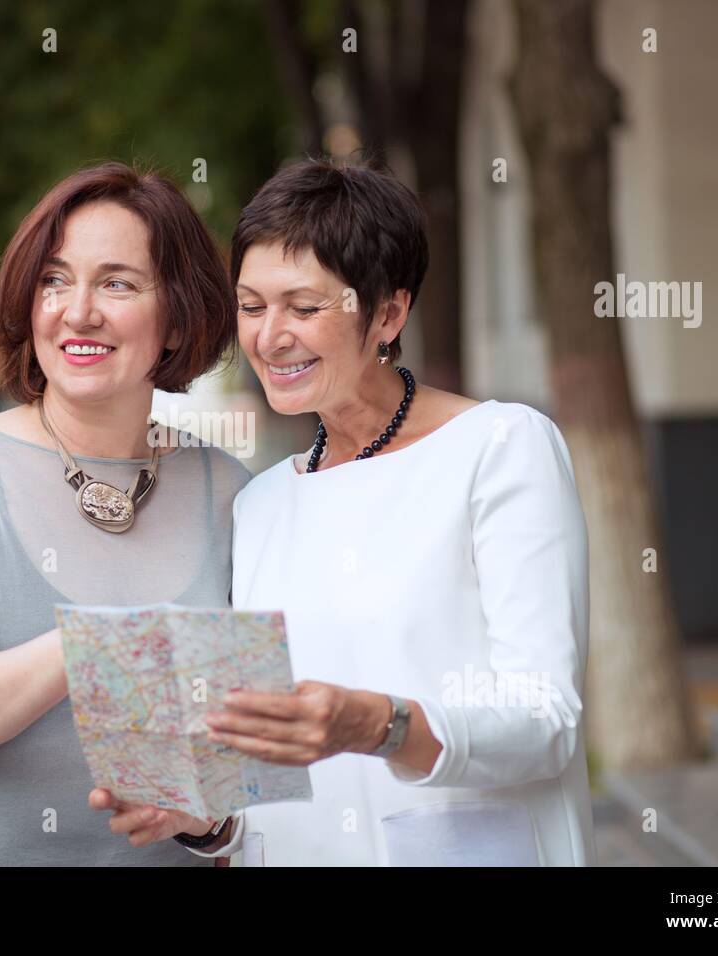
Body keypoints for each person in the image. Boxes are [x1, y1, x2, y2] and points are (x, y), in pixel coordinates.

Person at [201, 158, 595, 865]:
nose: (269, 336)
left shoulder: (499, 448)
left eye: (304, 306)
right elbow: (262, 768)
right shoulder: (258, 504)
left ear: (387, 312)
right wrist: (200, 820)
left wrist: (380, 724)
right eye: (252, 306)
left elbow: (547, 720)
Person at [0, 162, 250, 865]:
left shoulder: (229, 489)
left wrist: (209, 822)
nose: (78, 311)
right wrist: (97, 644)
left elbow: (235, 763)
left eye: (117, 283)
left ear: (176, 319)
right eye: (54, 280)